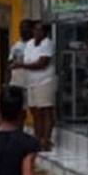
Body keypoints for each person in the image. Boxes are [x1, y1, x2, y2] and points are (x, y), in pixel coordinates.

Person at [17, 21, 56, 151]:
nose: (36, 32)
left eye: (40, 30)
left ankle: (46, 139)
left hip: (45, 81)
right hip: (31, 82)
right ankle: (38, 137)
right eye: (35, 30)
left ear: (45, 32)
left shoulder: (47, 44)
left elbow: (42, 63)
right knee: (35, 111)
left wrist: (22, 65)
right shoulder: (29, 44)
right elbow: (25, 60)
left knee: (46, 110)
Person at [8, 20, 33, 89]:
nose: (24, 30)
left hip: (32, 85)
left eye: (26, 27)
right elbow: (10, 65)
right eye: (21, 28)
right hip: (16, 84)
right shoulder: (16, 47)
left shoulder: (37, 46)